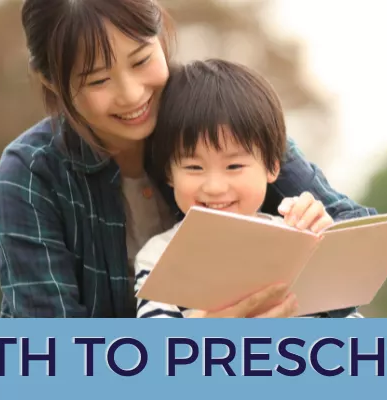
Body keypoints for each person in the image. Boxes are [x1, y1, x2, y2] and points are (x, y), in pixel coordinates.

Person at [0, 0, 377, 318]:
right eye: (97, 80)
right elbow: (48, 355)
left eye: (141, 60)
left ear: (161, 36)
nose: (131, 94)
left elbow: (361, 241)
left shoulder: (218, 118)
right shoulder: (30, 174)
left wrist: (319, 230)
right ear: (52, 83)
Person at [135, 59, 364, 318]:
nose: (214, 186)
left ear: (272, 167)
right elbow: (154, 348)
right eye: (194, 168)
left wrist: (326, 247)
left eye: (233, 166)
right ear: (169, 173)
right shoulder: (159, 257)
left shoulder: (296, 241)